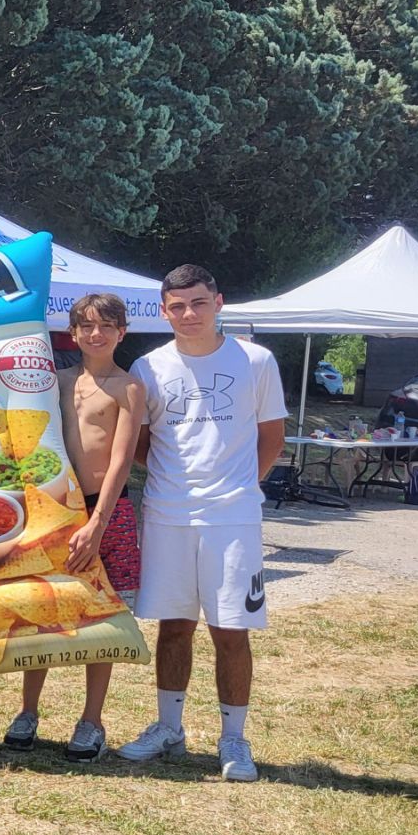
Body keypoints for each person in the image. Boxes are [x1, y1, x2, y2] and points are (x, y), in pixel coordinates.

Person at [115, 265, 287, 782]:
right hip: (167, 514)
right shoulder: (148, 366)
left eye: (198, 303)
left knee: (231, 630)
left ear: (219, 303)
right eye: (177, 306)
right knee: (173, 626)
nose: (189, 314)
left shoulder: (256, 360)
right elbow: (142, 443)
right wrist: (174, 479)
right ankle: (170, 728)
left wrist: (238, 486)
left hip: (232, 518)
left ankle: (233, 738)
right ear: (163, 311)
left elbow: (272, 437)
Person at [5, 294, 146, 761]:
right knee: (43, 609)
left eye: (106, 326)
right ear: (73, 332)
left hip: (106, 511)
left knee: (102, 616)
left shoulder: (128, 387)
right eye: (86, 326)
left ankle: (92, 720)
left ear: (122, 332)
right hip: (55, 510)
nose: (95, 334)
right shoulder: (56, 382)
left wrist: (99, 523)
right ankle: (28, 711)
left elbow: (122, 459)